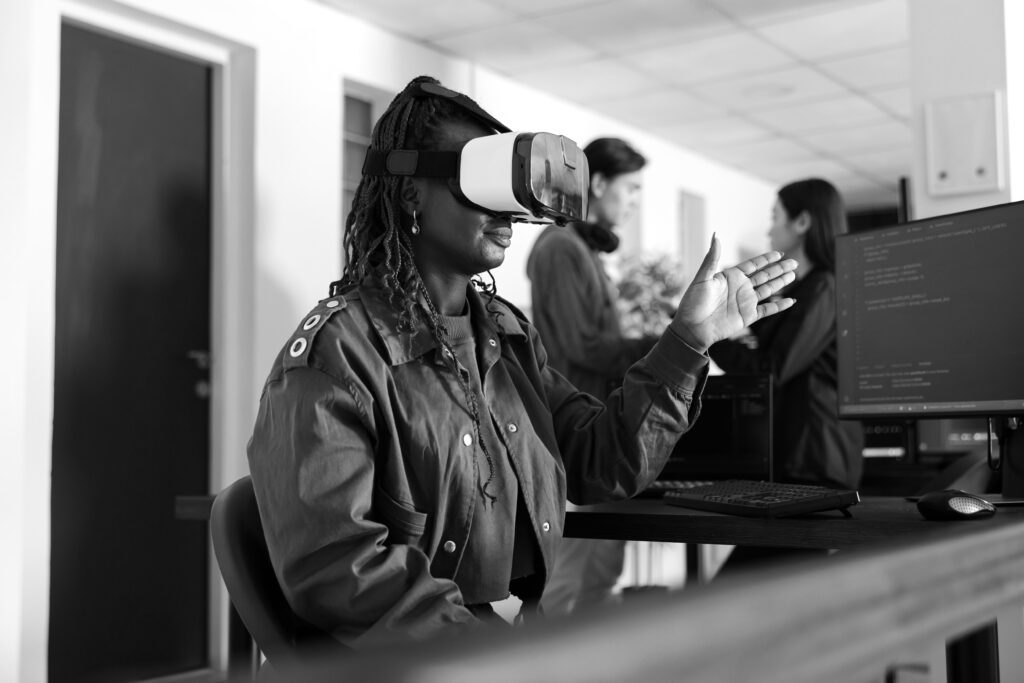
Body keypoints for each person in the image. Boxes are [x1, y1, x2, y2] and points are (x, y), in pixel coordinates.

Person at [245, 75, 797, 650]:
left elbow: (600, 461)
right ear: (410, 193)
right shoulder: (339, 355)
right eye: (478, 180)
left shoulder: (505, 336)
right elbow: (340, 571)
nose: (505, 209)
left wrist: (688, 341)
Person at [526, 137, 658, 615]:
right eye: (631, 189)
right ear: (598, 184)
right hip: (577, 436)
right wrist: (666, 348)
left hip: (601, 430)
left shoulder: (585, 251)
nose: (633, 203)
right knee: (566, 586)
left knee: (600, 579)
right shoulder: (561, 248)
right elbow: (579, 347)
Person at [710, 178, 864, 491]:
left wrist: (712, 336)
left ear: (803, 221)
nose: (769, 230)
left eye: (774, 217)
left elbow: (772, 369)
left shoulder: (824, 286)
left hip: (815, 459)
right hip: (800, 456)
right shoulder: (807, 288)